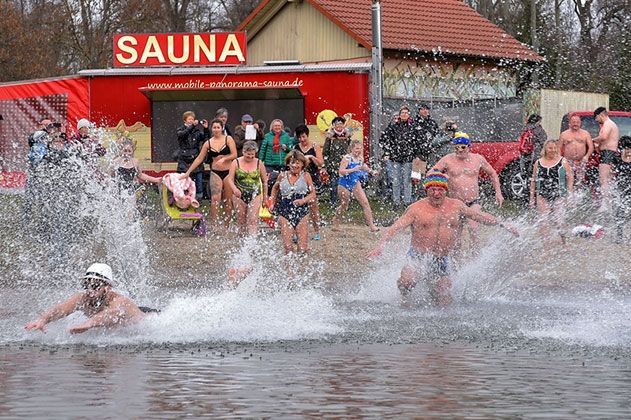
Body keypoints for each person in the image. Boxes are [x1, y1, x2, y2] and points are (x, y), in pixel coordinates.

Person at [367, 171, 518, 306]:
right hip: (419, 255)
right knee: (407, 282)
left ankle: (434, 299)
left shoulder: (457, 206)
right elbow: (395, 228)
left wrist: (502, 223)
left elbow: (479, 216)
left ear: (446, 191)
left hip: (441, 258)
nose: (437, 194)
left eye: (440, 190)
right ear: (427, 190)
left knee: (444, 299)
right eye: (433, 190)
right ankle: (404, 297)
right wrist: (381, 246)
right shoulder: (416, 209)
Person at [24, 263, 155, 335]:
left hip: (148, 316)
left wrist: (87, 324)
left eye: (96, 285)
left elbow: (110, 314)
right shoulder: (83, 298)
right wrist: (43, 320)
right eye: (86, 285)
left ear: (108, 287)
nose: (90, 289)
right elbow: (61, 309)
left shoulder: (120, 301)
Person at [431, 132, 504, 250]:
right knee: (456, 236)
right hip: (455, 203)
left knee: (473, 229)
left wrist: (498, 193)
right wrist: (442, 177)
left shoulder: (478, 159)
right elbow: (431, 173)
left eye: (462, 147)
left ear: (469, 147)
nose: (459, 150)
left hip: (473, 201)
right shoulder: (447, 159)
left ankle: (476, 259)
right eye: (456, 148)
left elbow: (493, 174)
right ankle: (457, 265)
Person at [182, 119, 237, 229]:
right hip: (215, 172)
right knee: (215, 199)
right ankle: (215, 225)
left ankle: (227, 225)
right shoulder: (208, 143)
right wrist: (188, 172)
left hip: (228, 172)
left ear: (222, 128)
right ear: (212, 129)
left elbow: (235, 154)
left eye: (218, 127)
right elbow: (199, 159)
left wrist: (225, 158)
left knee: (227, 199)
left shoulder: (228, 139)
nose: (216, 130)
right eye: (214, 127)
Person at [269, 150, 316, 254]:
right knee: (288, 247)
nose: (295, 165)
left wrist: (303, 200)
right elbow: (275, 188)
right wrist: (272, 202)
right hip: (285, 211)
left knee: (302, 248)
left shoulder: (306, 176)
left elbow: (313, 194)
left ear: (303, 164)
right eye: (292, 162)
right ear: (288, 164)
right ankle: (288, 269)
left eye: (298, 162)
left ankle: (301, 267)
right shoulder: (282, 176)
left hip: (302, 211)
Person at [529, 140, 574, 244]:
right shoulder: (538, 162)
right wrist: (532, 198)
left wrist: (570, 194)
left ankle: (564, 241)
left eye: (554, 148)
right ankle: (546, 246)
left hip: (559, 195)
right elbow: (533, 181)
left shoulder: (563, 161)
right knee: (543, 222)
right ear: (545, 149)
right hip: (542, 195)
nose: (552, 150)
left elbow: (570, 177)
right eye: (550, 148)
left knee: (559, 221)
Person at [332, 139, 380, 233]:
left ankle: (372, 225)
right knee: (344, 205)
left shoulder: (360, 158)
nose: (358, 151)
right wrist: (353, 169)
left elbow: (363, 166)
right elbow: (341, 171)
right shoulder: (346, 158)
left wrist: (371, 171)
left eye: (360, 149)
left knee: (365, 203)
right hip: (344, 183)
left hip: (354, 182)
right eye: (356, 149)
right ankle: (336, 220)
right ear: (352, 149)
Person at [379, 106, 419, 210]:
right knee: (396, 181)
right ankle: (396, 202)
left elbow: (418, 142)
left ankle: (407, 202)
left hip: (409, 158)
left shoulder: (413, 127)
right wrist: (388, 151)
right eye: (402, 113)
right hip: (395, 158)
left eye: (406, 112)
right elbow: (383, 140)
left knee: (407, 181)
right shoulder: (393, 127)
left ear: (409, 115)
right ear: (399, 115)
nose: (404, 114)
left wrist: (417, 156)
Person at [227, 140, 268, 236]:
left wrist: (265, 197)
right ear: (243, 152)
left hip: (255, 194)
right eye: (248, 154)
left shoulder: (259, 163)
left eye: (252, 155)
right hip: (239, 194)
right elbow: (230, 179)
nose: (250, 157)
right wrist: (234, 189)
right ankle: (242, 242)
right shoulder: (236, 162)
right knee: (241, 221)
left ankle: (252, 241)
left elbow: (265, 181)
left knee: (253, 220)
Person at [294, 124, 323, 240]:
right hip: (299, 179)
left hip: (313, 177)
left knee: (313, 206)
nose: (302, 140)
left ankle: (317, 231)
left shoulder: (315, 146)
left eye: (304, 137)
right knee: (296, 205)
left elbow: (320, 163)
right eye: (300, 137)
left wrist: (311, 157)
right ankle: (296, 232)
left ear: (307, 135)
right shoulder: (296, 147)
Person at [176, 111, 209, 201]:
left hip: (195, 158)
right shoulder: (180, 129)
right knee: (183, 181)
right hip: (184, 160)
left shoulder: (197, 131)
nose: (191, 121)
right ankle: (183, 199)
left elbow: (206, 140)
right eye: (189, 119)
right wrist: (192, 126)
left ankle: (198, 199)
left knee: (198, 181)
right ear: (185, 120)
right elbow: (183, 135)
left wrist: (206, 129)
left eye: (192, 119)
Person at [592, 107, 620, 211]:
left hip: (608, 153)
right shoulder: (610, 124)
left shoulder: (608, 124)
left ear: (601, 115)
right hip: (609, 152)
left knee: (603, 178)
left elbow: (603, 137)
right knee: (608, 179)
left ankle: (605, 203)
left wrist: (592, 140)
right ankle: (610, 202)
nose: (596, 121)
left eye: (596, 118)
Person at [259, 119, 295, 194]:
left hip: (282, 165)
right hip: (269, 165)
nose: (277, 127)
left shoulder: (286, 136)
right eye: (275, 126)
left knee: (282, 184)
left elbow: (292, 150)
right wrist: (260, 162)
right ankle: (269, 200)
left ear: (281, 127)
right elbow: (263, 149)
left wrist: (286, 148)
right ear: (272, 127)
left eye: (279, 125)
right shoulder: (267, 136)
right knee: (269, 183)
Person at [322, 116, 351, 207]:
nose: (339, 126)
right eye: (337, 124)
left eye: (341, 124)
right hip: (333, 165)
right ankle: (333, 203)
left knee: (345, 185)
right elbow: (325, 152)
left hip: (345, 166)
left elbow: (350, 149)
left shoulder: (347, 137)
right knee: (334, 185)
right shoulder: (330, 137)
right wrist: (327, 165)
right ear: (333, 126)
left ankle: (345, 203)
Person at [559, 114, 594, 188]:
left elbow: (591, 147)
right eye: (573, 122)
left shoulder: (585, 133)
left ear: (580, 123)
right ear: (570, 123)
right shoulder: (564, 134)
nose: (575, 124)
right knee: (569, 180)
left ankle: (580, 196)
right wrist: (561, 161)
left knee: (580, 181)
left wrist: (586, 156)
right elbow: (559, 149)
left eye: (577, 122)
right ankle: (569, 196)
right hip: (568, 161)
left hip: (581, 161)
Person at [518, 114, 548, 181]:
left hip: (525, 153)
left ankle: (525, 183)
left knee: (525, 172)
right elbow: (543, 139)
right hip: (535, 153)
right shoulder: (538, 128)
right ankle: (534, 186)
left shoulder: (525, 128)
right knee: (535, 172)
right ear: (537, 121)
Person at [613, 136, 631, 243]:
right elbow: (612, 174)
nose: (628, 150)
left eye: (630, 148)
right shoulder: (618, 159)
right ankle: (619, 235)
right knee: (620, 212)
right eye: (626, 148)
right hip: (621, 189)